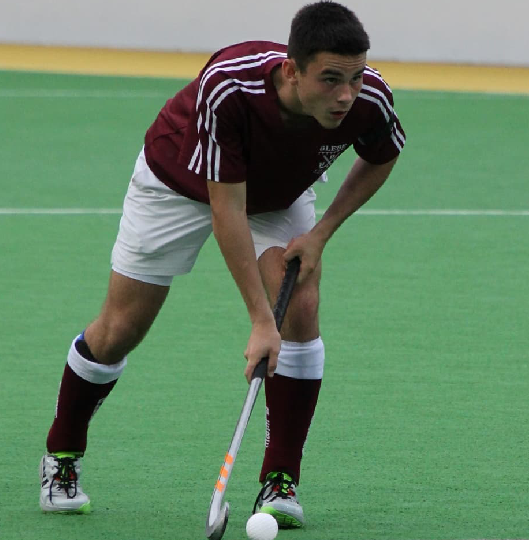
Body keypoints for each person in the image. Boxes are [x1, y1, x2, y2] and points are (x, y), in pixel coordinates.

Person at [39, 0, 406, 528]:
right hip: (178, 183)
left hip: (279, 193)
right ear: (291, 70)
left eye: (353, 77)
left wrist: (321, 233)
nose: (346, 95)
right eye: (329, 80)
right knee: (121, 327)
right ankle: (62, 454)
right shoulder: (230, 87)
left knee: (300, 300)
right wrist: (260, 321)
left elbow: (382, 154)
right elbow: (226, 209)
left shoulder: (369, 97)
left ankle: (281, 480)